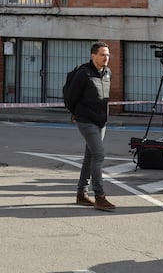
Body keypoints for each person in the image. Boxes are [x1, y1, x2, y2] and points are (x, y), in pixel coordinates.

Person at [63, 42, 116, 212]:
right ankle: (99, 196)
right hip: (86, 120)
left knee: (90, 156)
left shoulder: (108, 73)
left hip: (101, 121)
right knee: (99, 155)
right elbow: (70, 98)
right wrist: (77, 113)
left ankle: (81, 193)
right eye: (102, 54)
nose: (106, 57)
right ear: (93, 56)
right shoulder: (83, 74)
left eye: (107, 55)